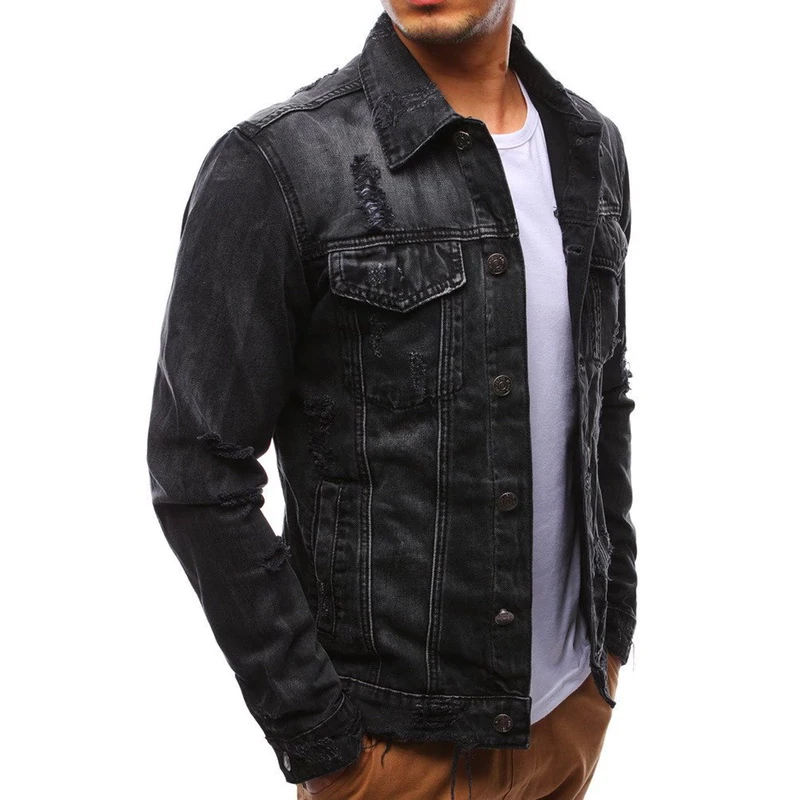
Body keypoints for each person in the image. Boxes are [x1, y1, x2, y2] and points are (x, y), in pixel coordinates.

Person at [146, 1, 637, 798]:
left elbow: (604, 389)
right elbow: (195, 468)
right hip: (394, 755)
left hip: (565, 726)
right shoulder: (280, 163)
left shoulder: (591, 147)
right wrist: (324, 737)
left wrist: (611, 637)